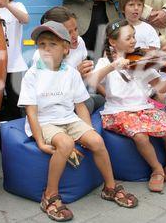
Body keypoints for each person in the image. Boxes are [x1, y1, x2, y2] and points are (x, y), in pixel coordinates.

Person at [19, 21, 137, 222]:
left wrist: (88, 131)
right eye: (42, 45)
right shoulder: (32, 74)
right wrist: (39, 141)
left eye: (52, 44)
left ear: (66, 48)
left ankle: (109, 187)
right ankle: (49, 196)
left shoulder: (71, 73)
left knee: (97, 141)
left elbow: (81, 105)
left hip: (69, 119)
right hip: (45, 121)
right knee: (64, 143)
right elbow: (31, 111)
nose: (46, 49)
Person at [88, 19, 166, 193]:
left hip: (143, 108)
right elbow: (92, 80)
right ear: (112, 42)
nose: (133, 40)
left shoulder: (142, 60)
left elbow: (161, 88)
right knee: (139, 135)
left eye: (134, 36)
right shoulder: (105, 62)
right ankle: (157, 169)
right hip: (117, 111)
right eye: (128, 38)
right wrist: (112, 66)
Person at [31, 6, 105, 113]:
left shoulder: (80, 42)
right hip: (49, 103)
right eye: (69, 32)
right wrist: (76, 74)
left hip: (72, 95)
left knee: (101, 101)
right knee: (88, 103)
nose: (75, 36)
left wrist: (108, 96)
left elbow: (87, 77)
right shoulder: (42, 56)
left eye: (75, 29)